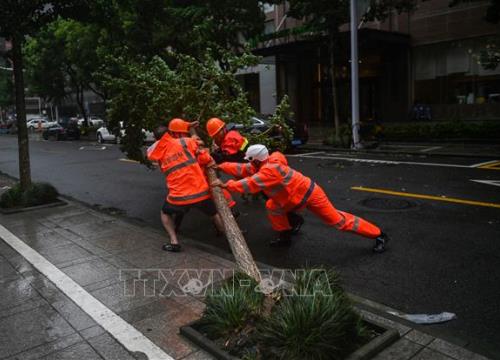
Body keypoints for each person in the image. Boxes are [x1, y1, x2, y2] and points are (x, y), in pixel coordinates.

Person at [212, 144, 389, 252]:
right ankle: (285, 235)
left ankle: (379, 235)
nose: (249, 164)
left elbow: (248, 184)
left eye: (251, 161)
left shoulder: (270, 170)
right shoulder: (262, 166)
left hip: (311, 196)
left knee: (338, 221)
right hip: (294, 199)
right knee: (272, 206)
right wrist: (220, 165)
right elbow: (240, 169)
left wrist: (226, 185)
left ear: (257, 160)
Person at [147, 118, 224, 252]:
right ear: (170, 134)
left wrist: (187, 126)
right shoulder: (185, 142)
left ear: (156, 139)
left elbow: (155, 148)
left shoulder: (156, 153)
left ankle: (174, 241)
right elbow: (202, 151)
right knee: (213, 213)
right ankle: (227, 235)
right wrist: (209, 160)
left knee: (165, 212)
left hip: (178, 197)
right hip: (200, 192)